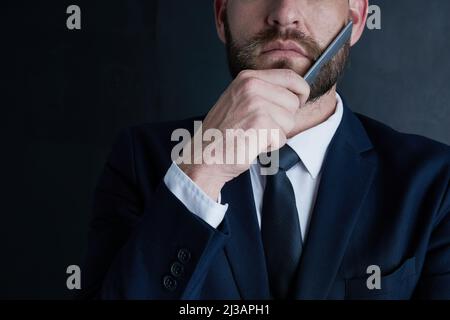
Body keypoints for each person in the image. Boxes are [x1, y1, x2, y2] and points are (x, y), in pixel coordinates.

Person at [81, 0, 450, 299]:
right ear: (222, 15)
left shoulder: (435, 182)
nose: (285, 13)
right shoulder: (139, 159)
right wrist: (203, 171)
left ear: (355, 18)